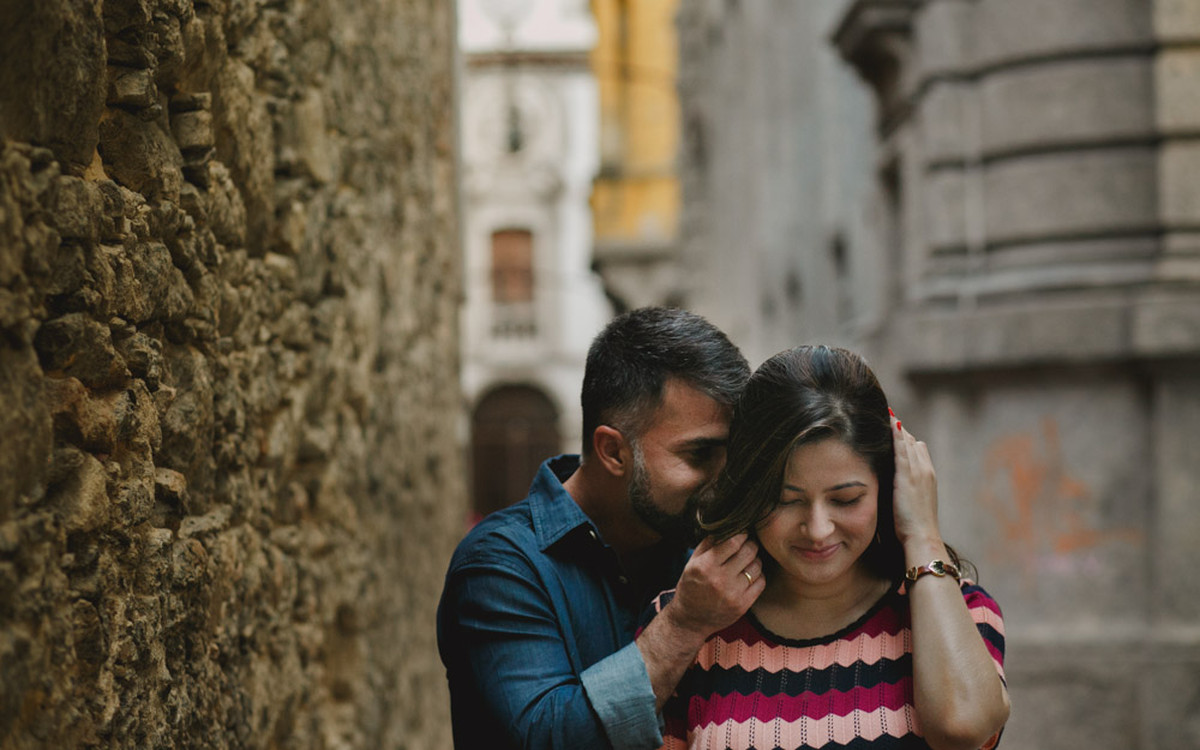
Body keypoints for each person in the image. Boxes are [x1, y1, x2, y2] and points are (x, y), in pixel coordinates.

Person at [437, 307, 766, 749]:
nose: (725, 480)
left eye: (733, 456)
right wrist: (685, 624)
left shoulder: (700, 542)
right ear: (613, 451)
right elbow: (547, 738)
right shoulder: (498, 566)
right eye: (700, 455)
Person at [651, 345, 1010, 749]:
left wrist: (922, 532)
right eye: (786, 500)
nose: (818, 530)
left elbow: (962, 728)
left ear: (888, 488)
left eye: (846, 499)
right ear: (749, 493)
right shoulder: (691, 623)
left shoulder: (959, 612)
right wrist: (685, 622)